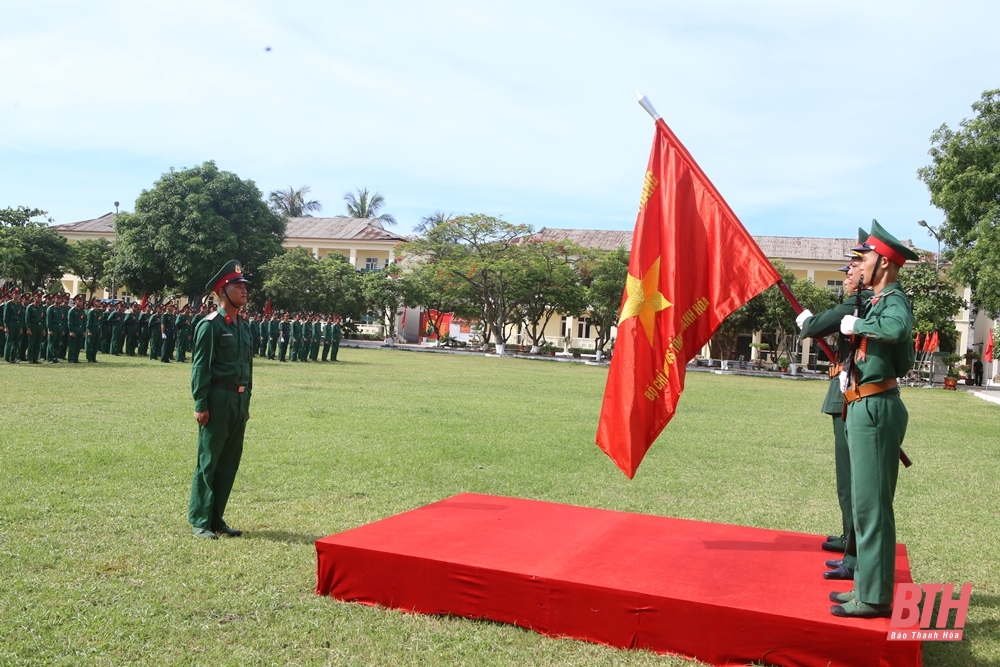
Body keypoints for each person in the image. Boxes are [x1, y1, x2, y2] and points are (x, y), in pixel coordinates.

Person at [829, 219, 919, 619]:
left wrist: (858, 324)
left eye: (864, 257)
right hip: (863, 404)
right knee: (866, 505)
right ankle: (865, 587)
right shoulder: (878, 300)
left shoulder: (894, 300)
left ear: (883, 262)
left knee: (873, 506)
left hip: (878, 405)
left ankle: (876, 596)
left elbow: (899, 328)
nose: (859, 264)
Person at [797, 250, 872, 582]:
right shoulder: (859, 303)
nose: (846, 276)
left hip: (851, 395)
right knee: (847, 479)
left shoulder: (858, 304)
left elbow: (816, 326)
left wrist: (807, 322)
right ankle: (848, 536)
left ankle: (853, 546)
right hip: (844, 389)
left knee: (852, 479)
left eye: (851, 269)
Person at [189, 260, 253, 539]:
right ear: (222, 292)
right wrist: (200, 404)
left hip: (238, 401)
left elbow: (247, 369)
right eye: (237, 286)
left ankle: (217, 519)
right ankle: (200, 520)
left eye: (244, 286)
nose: (244, 291)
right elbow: (200, 367)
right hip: (217, 399)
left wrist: (246, 404)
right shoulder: (210, 325)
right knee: (209, 460)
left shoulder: (243, 326)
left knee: (229, 462)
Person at [3, 287, 25, 363]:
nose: (17, 295)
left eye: (18, 294)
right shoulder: (8, 304)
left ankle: (12, 358)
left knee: (16, 342)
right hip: (11, 323)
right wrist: (6, 326)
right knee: (9, 341)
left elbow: (21, 317)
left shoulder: (20, 305)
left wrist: (21, 327)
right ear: (12, 294)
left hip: (18, 324)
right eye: (15, 294)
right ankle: (6, 358)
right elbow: (5, 316)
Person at [24, 291, 46, 364]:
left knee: (38, 343)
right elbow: (27, 319)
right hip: (33, 326)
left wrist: (43, 329)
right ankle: (30, 358)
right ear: (34, 297)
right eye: (38, 297)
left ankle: (35, 358)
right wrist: (28, 328)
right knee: (31, 343)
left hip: (40, 326)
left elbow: (43, 319)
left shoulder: (42, 307)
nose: (40, 299)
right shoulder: (30, 307)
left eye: (40, 297)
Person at [67, 294, 87, 363]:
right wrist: (71, 331)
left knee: (78, 345)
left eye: (82, 301)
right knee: (72, 345)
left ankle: (76, 358)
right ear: (75, 301)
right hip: (74, 329)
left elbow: (84, 322)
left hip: (80, 330)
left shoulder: (82, 311)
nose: (81, 302)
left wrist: (84, 331)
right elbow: (70, 322)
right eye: (79, 301)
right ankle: (71, 358)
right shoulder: (72, 311)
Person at [85, 298, 104, 363]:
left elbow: (101, 322)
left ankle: (94, 358)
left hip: (98, 329)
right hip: (92, 329)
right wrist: (89, 331)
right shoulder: (91, 312)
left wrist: (100, 330)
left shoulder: (100, 312)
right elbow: (89, 322)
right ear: (94, 303)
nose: (99, 303)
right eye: (97, 302)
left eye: (99, 302)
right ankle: (89, 358)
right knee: (90, 344)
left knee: (96, 344)